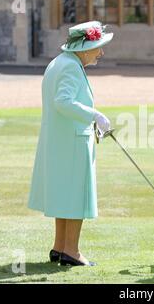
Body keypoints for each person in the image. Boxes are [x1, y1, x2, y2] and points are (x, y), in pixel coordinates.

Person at [28, 21, 113, 266]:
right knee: (75, 198)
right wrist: (94, 115)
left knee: (65, 197)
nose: (101, 52)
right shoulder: (71, 67)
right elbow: (62, 102)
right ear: (84, 48)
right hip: (73, 142)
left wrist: (90, 117)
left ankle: (60, 247)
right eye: (97, 47)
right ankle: (72, 252)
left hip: (63, 141)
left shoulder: (59, 62)